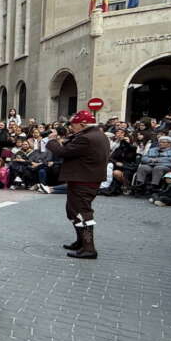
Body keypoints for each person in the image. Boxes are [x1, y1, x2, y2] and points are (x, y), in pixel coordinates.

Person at [46, 110, 110, 259]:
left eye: (73, 125)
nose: (71, 128)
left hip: (84, 180)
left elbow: (64, 152)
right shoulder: (96, 134)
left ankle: (89, 247)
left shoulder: (87, 138)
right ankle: (81, 242)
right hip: (84, 179)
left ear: (83, 124)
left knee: (83, 213)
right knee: (72, 211)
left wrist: (52, 141)